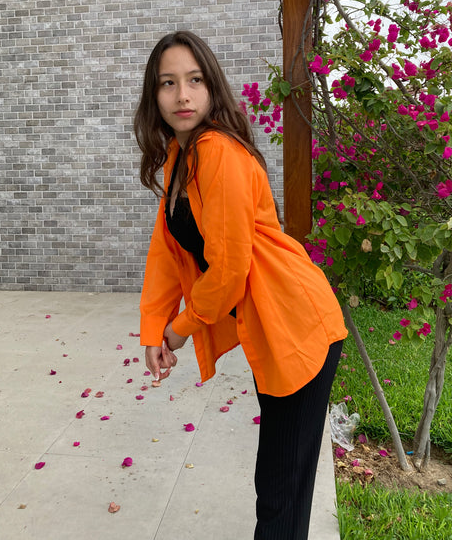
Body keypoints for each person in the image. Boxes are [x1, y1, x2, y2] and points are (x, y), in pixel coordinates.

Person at [134, 31, 347, 540]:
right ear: (154, 95)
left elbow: (228, 269)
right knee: (278, 482)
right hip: (275, 327)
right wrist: (153, 327)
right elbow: (166, 251)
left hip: (298, 326)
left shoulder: (218, 153)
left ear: (212, 87)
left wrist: (180, 328)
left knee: (280, 490)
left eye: (194, 80)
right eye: (168, 83)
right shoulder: (180, 155)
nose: (182, 95)